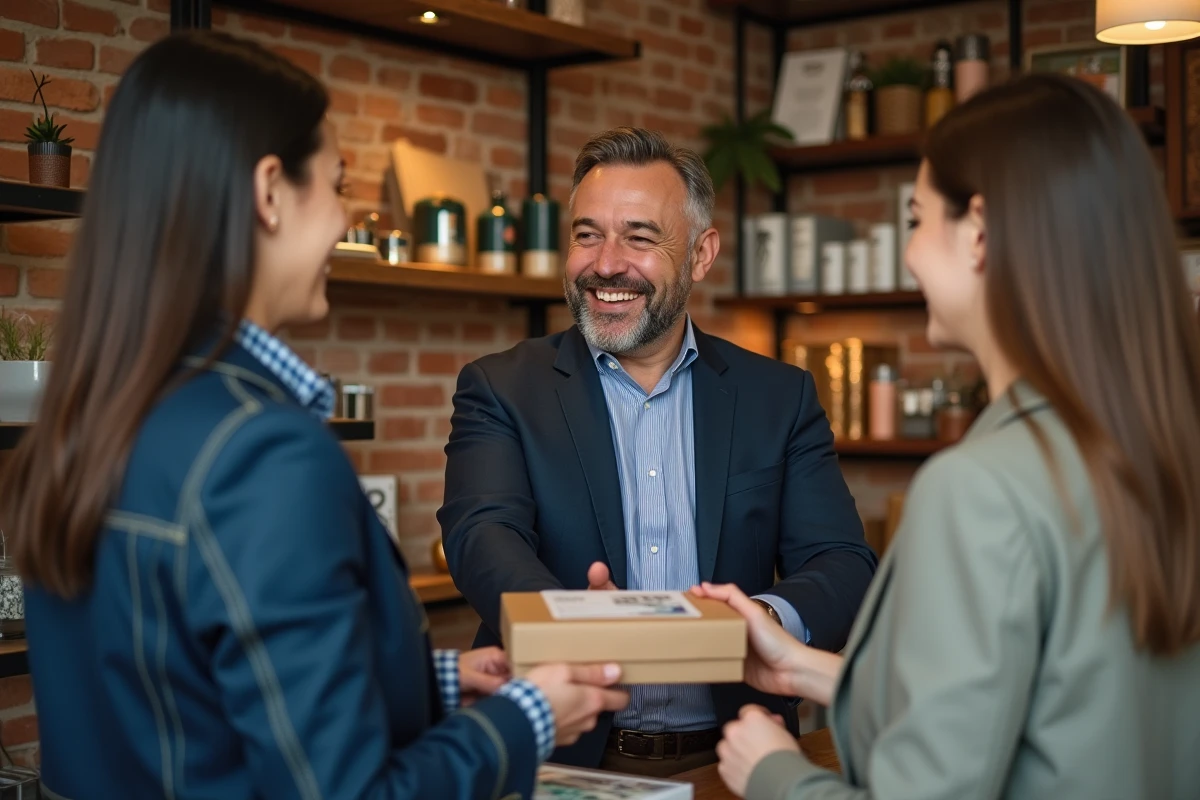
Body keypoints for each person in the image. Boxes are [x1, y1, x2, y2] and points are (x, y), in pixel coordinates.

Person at [0, 31, 628, 800]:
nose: (342, 221)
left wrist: (435, 680)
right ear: (269, 192)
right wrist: (529, 716)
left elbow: (189, 692)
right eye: (335, 186)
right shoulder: (263, 453)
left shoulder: (82, 424)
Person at [694, 73, 1200, 800]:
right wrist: (804, 667)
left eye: (916, 218)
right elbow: (1054, 709)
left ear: (980, 233)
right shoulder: (1160, 451)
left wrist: (773, 771)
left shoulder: (980, 490)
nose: (908, 254)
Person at [438, 127, 877, 776]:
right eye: (587, 234)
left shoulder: (778, 396)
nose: (606, 263)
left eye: (639, 237)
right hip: (565, 763)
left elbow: (841, 562)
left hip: (739, 761)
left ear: (701, 255)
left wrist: (755, 620)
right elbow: (481, 534)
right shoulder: (500, 387)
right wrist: (568, 621)